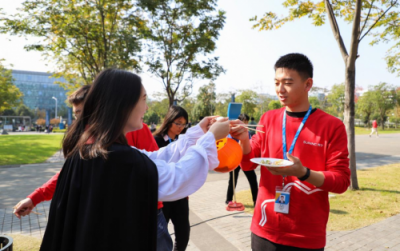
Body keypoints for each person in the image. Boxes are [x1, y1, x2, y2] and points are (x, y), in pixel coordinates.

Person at [39, 68, 230, 251]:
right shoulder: (117, 157)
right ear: (123, 104)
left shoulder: (96, 148)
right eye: (144, 99)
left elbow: (153, 159)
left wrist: (198, 133)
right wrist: (210, 138)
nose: (147, 107)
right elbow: (175, 178)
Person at [230, 53, 350, 251]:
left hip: (305, 235)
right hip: (264, 228)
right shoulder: (268, 119)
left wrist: (304, 173)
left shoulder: (331, 126)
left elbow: (341, 182)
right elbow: (249, 163)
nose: (280, 89)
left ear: (307, 84)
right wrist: (243, 139)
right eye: (276, 82)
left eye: (287, 82)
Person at [13, 85, 91, 218]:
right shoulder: (87, 139)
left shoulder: (121, 144)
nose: (79, 122)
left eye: (82, 114)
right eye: (76, 114)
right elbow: (68, 174)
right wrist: (34, 198)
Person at [153, 105, 191, 251]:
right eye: (178, 123)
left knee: (184, 233)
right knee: (162, 233)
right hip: (163, 195)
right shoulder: (156, 140)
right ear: (169, 121)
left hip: (180, 193)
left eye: (184, 124)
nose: (181, 127)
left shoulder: (183, 141)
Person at [225, 113, 258, 206]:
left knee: (253, 179)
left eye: (247, 122)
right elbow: (229, 145)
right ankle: (228, 199)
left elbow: (250, 145)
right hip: (235, 159)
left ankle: (256, 200)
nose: (245, 124)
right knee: (233, 180)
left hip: (245, 159)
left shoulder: (247, 132)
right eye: (244, 122)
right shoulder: (232, 132)